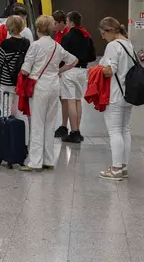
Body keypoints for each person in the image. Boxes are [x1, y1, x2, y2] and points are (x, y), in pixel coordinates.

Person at [20, 15, 77, 172]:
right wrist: (59, 71)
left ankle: (35, 162)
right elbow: (74, 60)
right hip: (54, 86)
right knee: (50, 123)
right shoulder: (57, 46)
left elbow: (25, 70)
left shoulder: (35, 46)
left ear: (37, 29)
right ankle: (49, 160)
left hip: (39, 87)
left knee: (37, 124)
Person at [97, 17, 137, 181]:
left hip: (115, 94)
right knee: (125, 130)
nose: (102, 37)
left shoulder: (113, 45)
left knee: (114, 132)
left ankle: (115, 169)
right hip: (129, 94)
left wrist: (98, 69)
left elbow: (109, 70)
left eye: (102, 33)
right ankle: (123, 166)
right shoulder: (128, 44)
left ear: (110, 31)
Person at [0, 15, 31, 156]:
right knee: (21, 114)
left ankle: (4, 145)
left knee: (5, 113)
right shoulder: (27, 43)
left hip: (6, 84)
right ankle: (24, 144)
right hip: (21, 83)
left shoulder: (5, 44)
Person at [60, 11, 96, 143]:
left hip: (69, 71)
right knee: (78, 101)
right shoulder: (87, 35)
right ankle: (78, 130)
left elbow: (61, 55)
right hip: (82, 71)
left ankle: (74, 131)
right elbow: (92, 56)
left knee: (70, 101)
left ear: (70, 21)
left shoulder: (68, 36)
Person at [52, 10, 72, 138]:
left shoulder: (67, 34)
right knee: (62, 99)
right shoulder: (58, 33)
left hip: (65, 70)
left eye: (54, 23)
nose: (53, 26)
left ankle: (65, 125)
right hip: (58, 70)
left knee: (65, 99)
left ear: (61, 22)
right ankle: (63, 124)